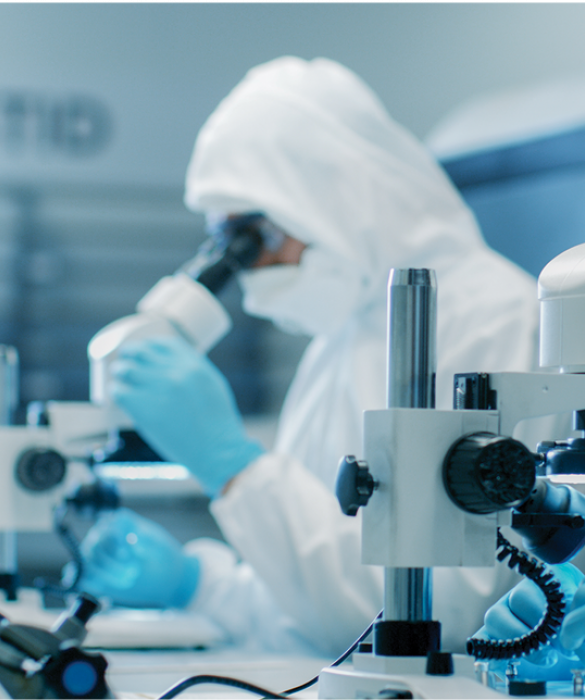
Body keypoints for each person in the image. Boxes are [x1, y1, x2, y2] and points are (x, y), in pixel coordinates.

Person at [76, 56, 545, 656]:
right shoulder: (340, 343)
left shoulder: (492, 321)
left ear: (336, 197)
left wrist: (239, 471)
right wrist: (197, 585)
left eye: (258, 238)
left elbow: (432, 617)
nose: (253, 269)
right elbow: (302, 615)